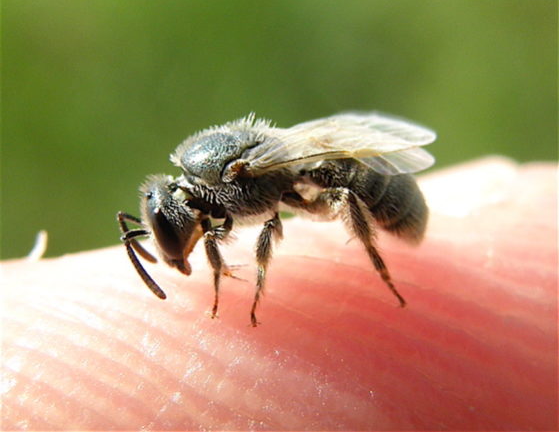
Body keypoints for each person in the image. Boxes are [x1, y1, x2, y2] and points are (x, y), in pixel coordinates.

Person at [1, 157, 557, 430]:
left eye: (178, 236)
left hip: (382, 190)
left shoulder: (232, 184)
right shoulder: (206, 201)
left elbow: (268, 221)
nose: (185, 244)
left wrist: (249, 286)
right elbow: (226, 227)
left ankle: (381, 269)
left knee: (334, 197)